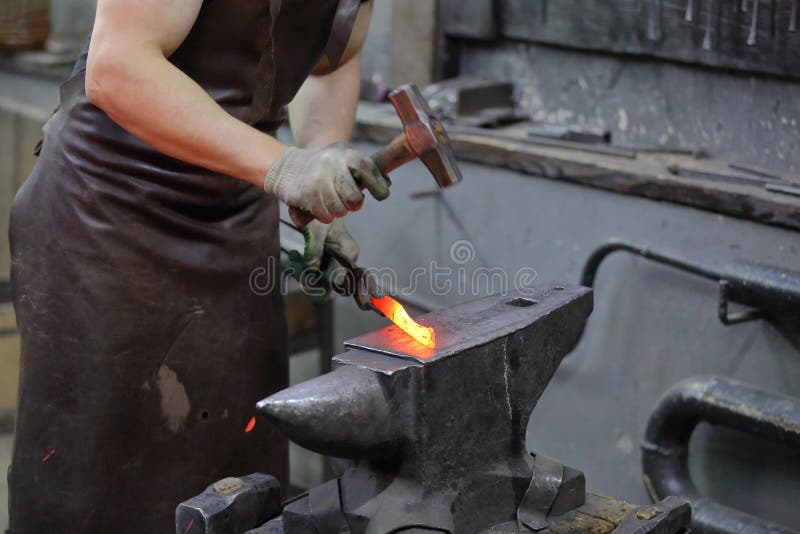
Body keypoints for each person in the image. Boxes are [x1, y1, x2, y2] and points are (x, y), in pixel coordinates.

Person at [7, 0, 389, 531]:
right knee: (92, 476)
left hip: (235, 214)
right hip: (109, 211)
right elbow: (117, 67)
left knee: (236, 467)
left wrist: (321, 166)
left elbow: (331, 63)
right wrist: (284, 168)